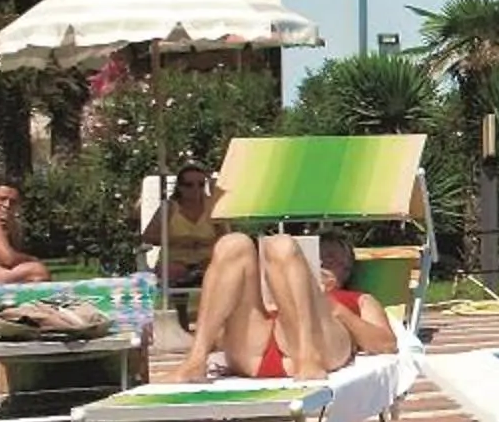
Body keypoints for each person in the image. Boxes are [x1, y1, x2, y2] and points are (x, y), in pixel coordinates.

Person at [179, 232, 398, 383]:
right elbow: (221, 338)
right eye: (321, 258)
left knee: (281, 245)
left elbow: (387, 344)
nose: (326, 262)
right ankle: (196, 359)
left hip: (319, 346)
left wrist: (336, 308)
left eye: (334, 259)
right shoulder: (278, 277)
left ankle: (307, 354)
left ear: (347, 270)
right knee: (232, 244)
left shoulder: (358, 299)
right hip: (256, 350)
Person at [139, 161, 221, 303]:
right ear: (180, 187)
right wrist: (177, 240)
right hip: (176, 260)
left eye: (201, 184)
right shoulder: (169, 208)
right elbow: (148, 236)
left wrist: (207, 242)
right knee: (176, 273)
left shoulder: (213, 207)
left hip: (206, 260)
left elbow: (226, 237)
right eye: (189, 185)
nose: (196, 189)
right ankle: (179, 312)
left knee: (218, 271)